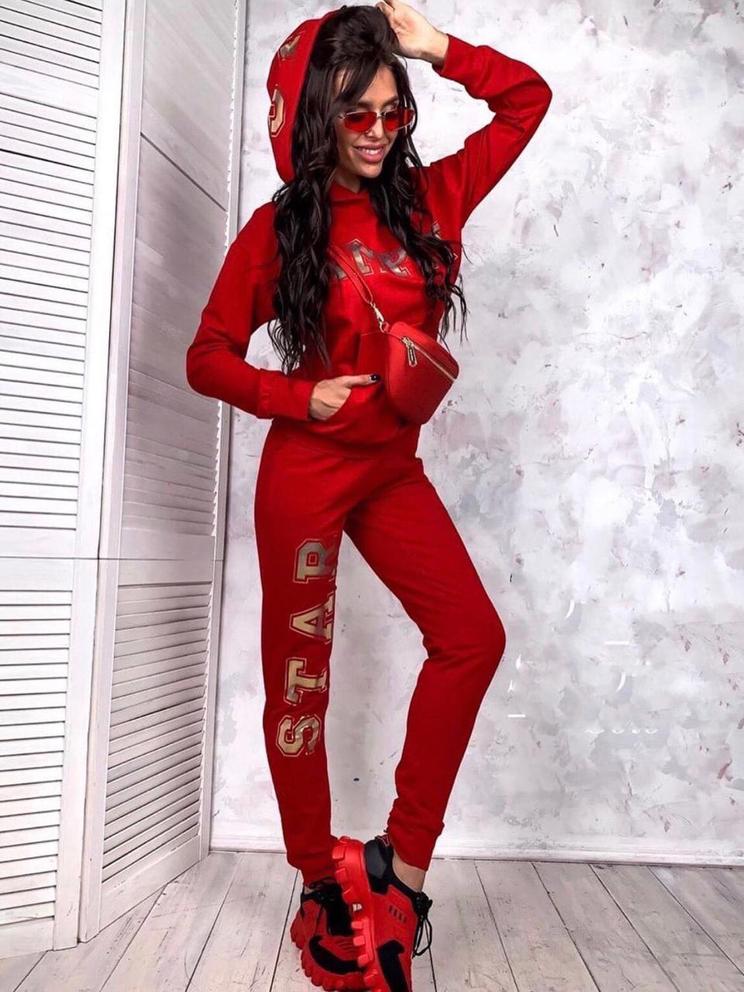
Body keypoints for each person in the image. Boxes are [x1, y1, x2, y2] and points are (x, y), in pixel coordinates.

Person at [185, 2, 551, 989]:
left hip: (391, 470)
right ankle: (317, 883)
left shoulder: (435, 198)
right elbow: (206, 356)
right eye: (357, 114)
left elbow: (528, 101)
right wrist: (296, 395)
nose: (380, 130)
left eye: (395, 110)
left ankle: (400, 870)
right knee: (300, 687)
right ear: (318, 117)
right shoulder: (281, 230)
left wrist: (436, 47)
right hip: (306, 472)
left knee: (471, 637)